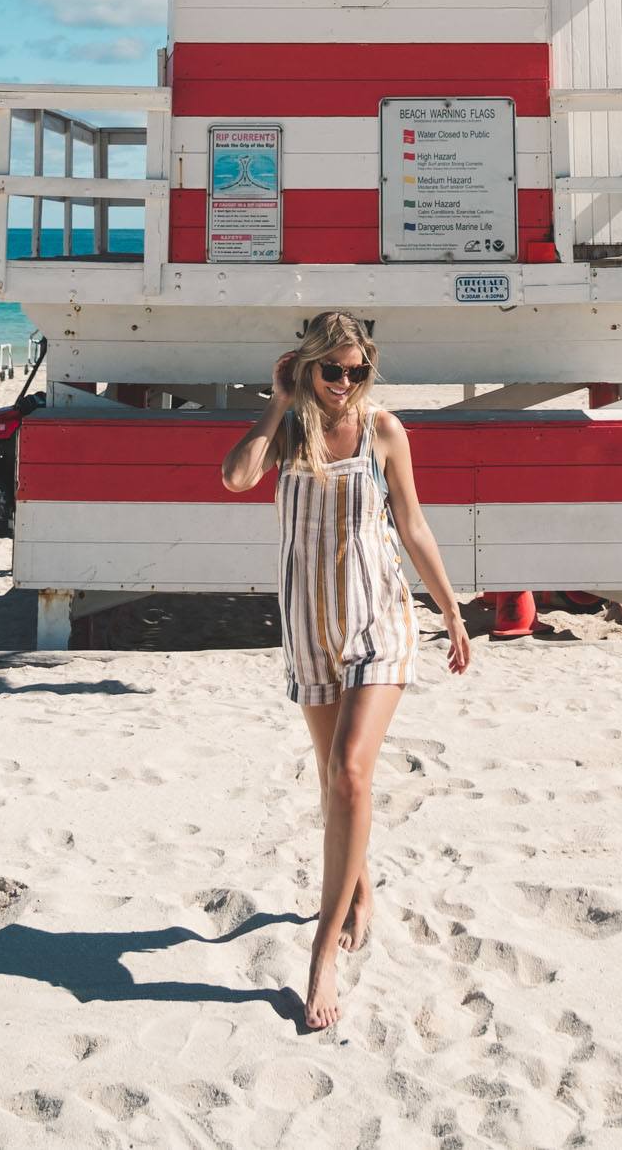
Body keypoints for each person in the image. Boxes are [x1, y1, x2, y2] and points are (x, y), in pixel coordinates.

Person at [220, 311, 471, 1032]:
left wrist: (451, 611)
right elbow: (235, 476)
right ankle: (359, 890)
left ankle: (322, 952)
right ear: (305, 367)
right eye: (331, 369)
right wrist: (273, 402)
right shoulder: (291, 430)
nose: (345, 383)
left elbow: (414, 525)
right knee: (335, 777)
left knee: (351, 773)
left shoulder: (385, 432)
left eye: (357, 370)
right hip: (309, 626)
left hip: (378, 619)